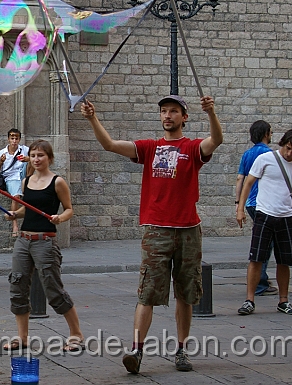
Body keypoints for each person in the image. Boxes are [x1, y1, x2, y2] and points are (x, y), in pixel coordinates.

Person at [81, 94, 222, 374]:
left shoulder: (192, 148)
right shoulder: (149, 148)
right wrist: (92, 118)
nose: (167, 116)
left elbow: (215, 140)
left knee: (186, 293)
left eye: (173, 111)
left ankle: (181, 350)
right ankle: (136, 349)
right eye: (163, 111)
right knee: (147, 292)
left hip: (188, 230)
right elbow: (109, 144)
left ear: (184, 117)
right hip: (156, 229)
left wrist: (211, 114)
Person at [3, 140, 83, 351]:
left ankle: (76, 334)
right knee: (17, 286)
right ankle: (22, 337)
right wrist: (14, 214)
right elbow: (25, 211)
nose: (37, 159)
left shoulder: (57, 182)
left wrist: (60, 218)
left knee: (53, 289)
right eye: (34, 155)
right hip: (23, 240)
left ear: (49, 158)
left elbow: (69, 209)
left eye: (41, 156)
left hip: (45, 241)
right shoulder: (26, 182)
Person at [236, 129, 292, 317]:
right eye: (288, 148)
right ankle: (249, 299)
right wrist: (240, 208)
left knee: (284, 261)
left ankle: (283, 300)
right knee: (256, 258)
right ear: (282, 144)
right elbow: (248, 182)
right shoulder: (265, 159)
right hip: (264, 214)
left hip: (287, 217)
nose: (290, 154)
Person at [235, 120, 277, 296]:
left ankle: (261, 278)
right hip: (264, 204)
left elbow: (240, 179)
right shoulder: (270, 154)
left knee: (263, 241)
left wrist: (239, 204)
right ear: (266, 133)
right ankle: (260, 282)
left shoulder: (248, 154)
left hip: (250, 204)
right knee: (266, 243)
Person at [0, 128, 29, 237]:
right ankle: (15, 224)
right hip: (11, 178)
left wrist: (27, 159)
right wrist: (1, 162)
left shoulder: (24, 150)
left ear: (19, 139)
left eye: (16, 138)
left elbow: (37, 155)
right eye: (12, 138)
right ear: (8, 139)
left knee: (32, 161)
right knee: (16, 196)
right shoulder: (2, 153)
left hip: (24, 174)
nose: (14, 141)